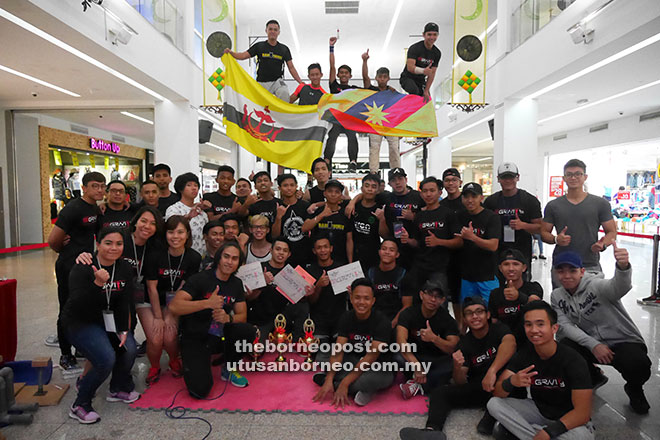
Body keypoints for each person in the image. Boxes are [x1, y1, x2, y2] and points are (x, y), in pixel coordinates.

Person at [551, 247, 651, 414]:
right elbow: (565, 325)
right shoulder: (557, 296)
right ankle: (593, 376)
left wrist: (623, 267)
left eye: (572, 270)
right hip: (593, 343)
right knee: (564, 347)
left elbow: (619, 287)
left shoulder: (596, 285)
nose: (566, 276)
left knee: (638, 364)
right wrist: (593, 345)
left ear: (582, 271)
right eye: (561, 271)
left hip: (623, 341)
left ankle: (634, 388)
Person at [399, 297, 516, 440]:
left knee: (507, 380)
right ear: (465, 319)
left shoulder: (499, 329)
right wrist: (457, 366)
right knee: (440, 393)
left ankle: (492, 415)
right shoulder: (465, 343)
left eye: (479, 312)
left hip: (505, 385)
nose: (475, 316)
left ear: (488, 315)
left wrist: (492, 371)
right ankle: (431, 431)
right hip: (482, 387)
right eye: (469, 313)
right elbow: (461, 381)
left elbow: (510, 344)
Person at [63, 227, 139, 424]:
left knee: (129, 348)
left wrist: (123, 329)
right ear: (98, 244)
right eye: (108, 243)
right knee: (106, 358)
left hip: (108, 320)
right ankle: (80, 404)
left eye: (119, 244)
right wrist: (97, 284)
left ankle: (118, 388)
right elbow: (77, 304)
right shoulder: (83, 267)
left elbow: (123, 301)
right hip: (80, 322)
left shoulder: (123, 268)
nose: (113, 248)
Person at [488, 301, 595, 440]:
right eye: (528, 325)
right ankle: (535, 435)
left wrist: (549, 432)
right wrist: (511, 382)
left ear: (554, 328)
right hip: (539, 411)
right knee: (494, 404)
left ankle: (530, 434)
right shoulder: (525, 353)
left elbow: (582, 413)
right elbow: (497, 392)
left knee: (582, 437)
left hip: (568, 419)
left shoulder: (573, 360)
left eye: (540, 324)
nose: (533, 330)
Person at [169, 242, 256, 397]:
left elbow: (242, 316)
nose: (229, 262)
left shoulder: (236, 283)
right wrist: (207, 303)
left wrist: (228, 318)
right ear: (218, 258)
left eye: (234, 259)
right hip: (195, 336)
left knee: (248, 331)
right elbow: (174, 307)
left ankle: (227, 367)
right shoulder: (200, 279)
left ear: (239, 264)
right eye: (226, 257)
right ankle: (194, 362)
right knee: (200, 391)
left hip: (219, 335)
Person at [47, 171, 105, 371]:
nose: (99, 190)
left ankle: (81, 346)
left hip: (86, 265)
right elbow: (53, 241)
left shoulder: (95, 209)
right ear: (85, 187)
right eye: (95, 186)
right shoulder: (72, 209)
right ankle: (65, 353)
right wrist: (66, 251)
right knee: (67, 308)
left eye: (102, 186)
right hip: (68, 266)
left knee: (85, 306)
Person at [312, 278, 394, 407]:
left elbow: (370, 358)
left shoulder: (382, 323)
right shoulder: (346, 317)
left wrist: (344, 384)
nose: (361, 302)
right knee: (323, 356)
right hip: (352, 359)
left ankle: (342, 385)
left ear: (373, 301)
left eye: (366, 298)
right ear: (351, 298)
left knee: (377, 379)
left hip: (376, 365)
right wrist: (329, 378)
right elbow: (339, 350)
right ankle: (339, 383)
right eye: (357, 297)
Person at [142, 216, 201, 385]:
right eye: (171, 232)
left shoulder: (194, 258)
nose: (175, 236)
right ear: (165, 234)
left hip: (175, 301)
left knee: (168, 336)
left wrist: (169, 313)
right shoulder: (154, 256)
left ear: (188, 234)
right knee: (155, 337)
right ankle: (154, 366)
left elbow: (183, 289)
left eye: (180, 232)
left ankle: (174, 360)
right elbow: (151, 288)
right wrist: (159, 317)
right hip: (150, 301)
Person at [541, 159, 617, 284]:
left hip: (590, 264)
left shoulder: (600, 204)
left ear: (585, 177)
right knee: (562, 302)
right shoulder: (553, 205)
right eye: (569, 174)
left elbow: (612, 232)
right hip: (562, 264)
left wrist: (602, 245)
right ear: (564, 178)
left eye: (578, 174)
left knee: (592, 302)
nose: (573, 178)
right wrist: (556, 239)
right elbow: (544, 232)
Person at [400, 176, 462, 303]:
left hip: (439, 268)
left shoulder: (448, 214)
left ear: (439, 192)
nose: (428, 194)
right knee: (417, 302)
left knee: (437, 303)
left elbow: (459, 242)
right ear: (421, 194)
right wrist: (408, 240)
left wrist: (439, 242)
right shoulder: (419, 216)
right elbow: (417, 243)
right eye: (425, 191)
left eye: (432, 190)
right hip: (419, 266)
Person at [348, 167, 424, 270]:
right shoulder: (386, 197)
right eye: (394, 180)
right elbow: (367, 194)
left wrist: (414, 217)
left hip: (415, 245)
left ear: (406, 180)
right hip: (394, 247)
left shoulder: (418, 196)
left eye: (400, 179)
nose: (397, 183)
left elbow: (430, 214)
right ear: (389, 184)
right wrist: (352, 202)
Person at [397, 281, 459, 399]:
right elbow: (401, 341)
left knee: (454, 363)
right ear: (421, 295)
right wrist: (416, 365)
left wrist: (434, 339)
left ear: (443, 300)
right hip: (413, 357)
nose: (433, 299)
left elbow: (453, 347)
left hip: (436, 360)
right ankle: (427, 382)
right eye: (430, 294)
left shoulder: (447, 319)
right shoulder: (408, 313)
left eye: (438, 297)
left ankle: (415, 384)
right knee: (396, 356)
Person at [483, 163, 542, 274]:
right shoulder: (491, 201)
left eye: (511, 177)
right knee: (498, 287)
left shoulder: (529, 200)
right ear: (498, 179)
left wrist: (524, 225)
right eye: (504, 177)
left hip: (522, 250)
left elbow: (540, 228)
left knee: (521, 286)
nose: (508, 180)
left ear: (518, 177)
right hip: (497, 251)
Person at [224, 19, 302, 101]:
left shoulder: (284, 49)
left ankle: (283, 113)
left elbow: (291, 67)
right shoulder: (259, 46)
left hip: (277, 82)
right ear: (266, 31)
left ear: (278, 32)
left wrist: (300, 82)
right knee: (258, 102)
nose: (273, 31)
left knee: (284, 93)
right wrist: (231, 53)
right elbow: (243, 55)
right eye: (270, 29)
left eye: (275, 30)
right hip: (262, 82)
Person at [246, 238, 307, 341]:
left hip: (283, 319)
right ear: (271, 250)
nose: (281, 253)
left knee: (303, 305)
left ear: (289, 254)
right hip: (261, 319)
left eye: (285, 251)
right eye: (278, 249)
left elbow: (299, 301)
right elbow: (248, 298)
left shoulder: (292, 272)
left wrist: (307, 293)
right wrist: (262, 283)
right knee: (257, 349)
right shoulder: (258, 268)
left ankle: (297, 340)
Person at [456, 183, 501, 303]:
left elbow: (493, 245)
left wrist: (472, 237)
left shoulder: (491, 217)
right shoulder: (460, 216)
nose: (470, 200)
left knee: (490, 311)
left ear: (481, 198)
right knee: (469, 311)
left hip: (487, 276)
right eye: (466, 197)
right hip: (467, 276)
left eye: (474, 196)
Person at [488, 249, 543, 347]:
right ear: (500, 268)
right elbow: (493, 322)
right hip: (505, 343)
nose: (511, 268)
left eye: (515, 264)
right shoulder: (495, 294)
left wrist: (519, 297)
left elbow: (537, 305)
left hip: (531, 342)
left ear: (524, 267)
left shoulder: (533, 287)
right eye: (506, 264)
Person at [361, 49, 400, 172]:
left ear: (388, 78)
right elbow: (365, 77)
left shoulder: (393, 93)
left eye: (384, 77)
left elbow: (401, 109)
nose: (382, 79)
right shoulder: (372, 90)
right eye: (380, 77)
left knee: (394, 147)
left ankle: (396, 170)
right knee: (374, 148)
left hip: (390, 123)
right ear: (376, 78)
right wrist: (364, 61)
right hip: (375, 122)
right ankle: (374, 172)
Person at [325, 36, 359, 169]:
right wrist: (331, 48)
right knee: (332, 135)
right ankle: (327, 160)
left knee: (352, 135)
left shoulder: (354, 89)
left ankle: (353, 161)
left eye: (346, 73)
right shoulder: (334, 86)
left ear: (350, 76)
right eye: (341, 73)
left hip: (348, 118)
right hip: (336, 118)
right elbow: (332, 66)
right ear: (338, 75)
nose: (344, 75)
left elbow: (369, 90)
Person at [305, 235, 346, 338]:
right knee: (321, 352)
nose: (323, 250)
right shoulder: (309, 271)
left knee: (341, 350)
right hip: (318, 321)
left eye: (325, 247)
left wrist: (351, 292)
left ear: (331, 248)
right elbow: (311, 301)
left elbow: (350, 297)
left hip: (339, 320)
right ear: (314, 251)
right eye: (319, 248)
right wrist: (318, 286)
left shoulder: (341, 268)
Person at [303, 179, 352, 264]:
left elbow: (349, 240)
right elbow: (304, 228)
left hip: (340, 260)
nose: (333, 194)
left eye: (337, 192)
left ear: (341, 195)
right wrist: (321, 215)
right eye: (330, 191)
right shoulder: (316, 211)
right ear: (324, 193)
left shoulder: (345, 214)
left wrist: (350, 262)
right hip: (317, 260)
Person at [439, 168, 465, 325]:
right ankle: (459, 326)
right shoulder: (441, 205)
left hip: (468, 255)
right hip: (448, 255)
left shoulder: (468, 201)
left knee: (466, 294)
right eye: (447, 180)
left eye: (454, 180)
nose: (451, 183)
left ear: (460, 182)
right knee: (454, 293)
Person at [367, 239, 410, 327]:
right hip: (373, 321)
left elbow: (407, 306)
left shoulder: (403, 275)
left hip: (396, 322)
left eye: (391, 250)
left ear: (397, 255)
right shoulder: (370, 273)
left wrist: (391, 325)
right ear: (379, 252)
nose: (387, 252)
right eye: (384, 249)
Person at [272, 173, 312, 268]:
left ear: (296, 186)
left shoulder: (305, 206)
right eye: (285, 185)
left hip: (305, 254)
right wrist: (278, 217)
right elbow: (274, 236)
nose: (289, 188)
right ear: (279, 187)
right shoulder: (277, 207)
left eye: (292, 185)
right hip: (283, 257)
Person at [165, 173, 210, 256]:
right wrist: (188, 217)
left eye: (196, 185)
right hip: (182, 256)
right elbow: (172, 228)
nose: (194, 188)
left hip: (202, 256)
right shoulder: (173, 209)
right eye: (189, 185)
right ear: (180, 189)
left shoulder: (202, 213)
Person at [350, 174, 382, 273]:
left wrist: (382, 219)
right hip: (355, 255)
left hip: (373, 256)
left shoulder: (380, 208)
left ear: (378, 190)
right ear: (362, 188)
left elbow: (384, 235)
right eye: (367, 186)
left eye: (373, 187)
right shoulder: (353, 207)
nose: (370, 189)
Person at [400, 22, 441, 100]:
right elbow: (410, 67)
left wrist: (426, 91)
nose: (432, 37)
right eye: (429, 34)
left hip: (421, 81)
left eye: (434, 34)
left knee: (426, 98)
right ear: (423, 35)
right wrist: (423, 71)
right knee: (415, 91)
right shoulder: (415, 48)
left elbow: (432, 74)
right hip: (407, 78)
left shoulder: (437, 53)